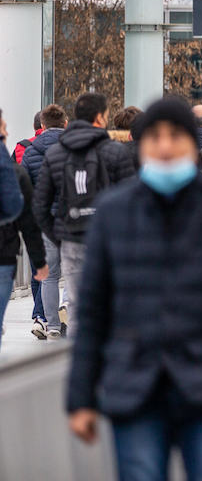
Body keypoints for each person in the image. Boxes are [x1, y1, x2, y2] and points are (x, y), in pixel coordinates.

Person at [67, 97, 202, 481]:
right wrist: (80, 398)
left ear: (192, 143)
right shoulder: (114, 211)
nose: (164, 146)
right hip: (135, 389)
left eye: (175, 136)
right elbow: (93, 311)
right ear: (141, 146)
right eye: (155, 137)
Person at [33, 92, 137, 334]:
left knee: (79, 305)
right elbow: (133, 200)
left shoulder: (56, 154)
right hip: (109, 240)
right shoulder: (115, 152)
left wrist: (59, 233)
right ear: (100, 118)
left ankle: (79, 356)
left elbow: (39, 205)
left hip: (72, 237)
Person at [2, 107, 50, 351]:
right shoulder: (66, 144)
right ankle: (46, 314)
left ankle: (40, 315)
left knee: (37, 271)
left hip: (28, 219)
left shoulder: (22, 148)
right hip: (59, 218)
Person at [24, 102, 67, 339]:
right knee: (74, 271)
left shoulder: (31, 151)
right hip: (73, 219)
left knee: (49, 276)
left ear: (42, 125)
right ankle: (71, 312)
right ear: (65, 124)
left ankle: (52, 325)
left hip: (44, 222)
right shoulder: (75, 149)